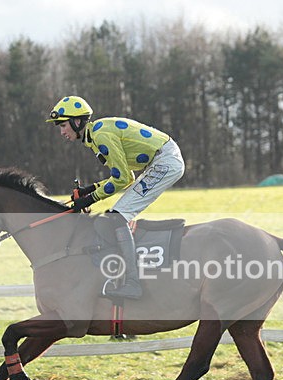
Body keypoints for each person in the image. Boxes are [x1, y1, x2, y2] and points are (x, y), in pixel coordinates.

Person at [46, 95, 185, 300]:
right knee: (115, 215)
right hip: (161, 160)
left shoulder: (101, 135)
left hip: (165, 162)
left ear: (77, 122)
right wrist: (90, 190)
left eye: (64, 125)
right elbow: (127, 177)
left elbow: (120, 179)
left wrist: (90, 198)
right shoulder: (94, 136)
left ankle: (132, 283)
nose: (62, 132)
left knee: (117, 216)